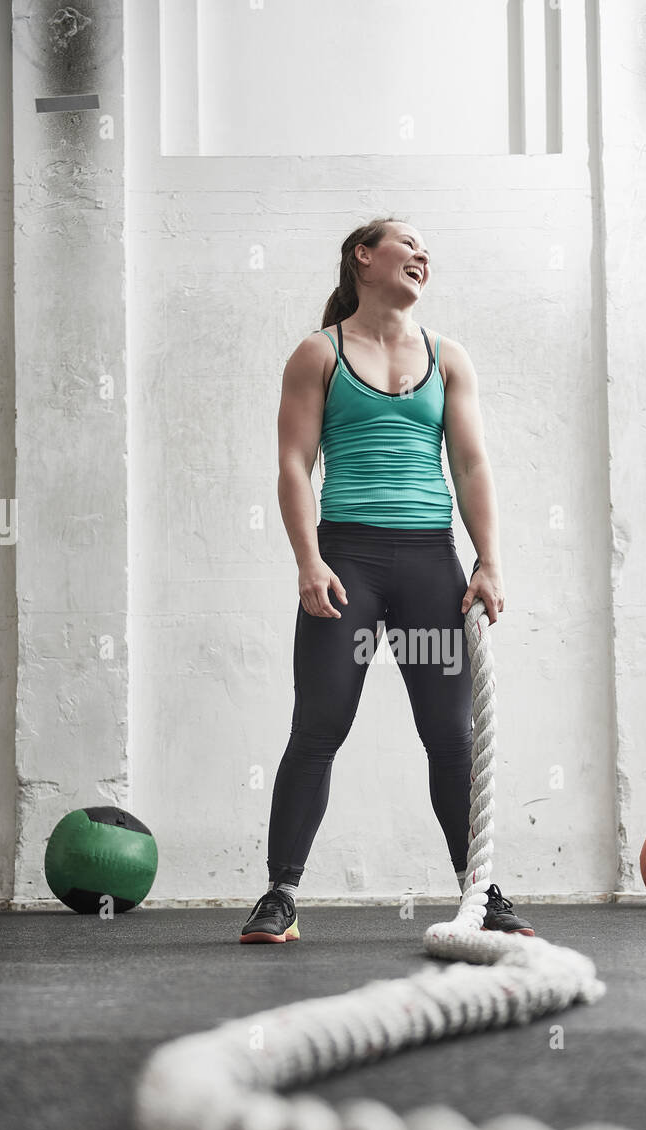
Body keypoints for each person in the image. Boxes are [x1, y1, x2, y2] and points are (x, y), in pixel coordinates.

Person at [241, 217, 534, 943]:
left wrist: (488, 559)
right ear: (362, 257)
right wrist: (308, 561)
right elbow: (292, 467)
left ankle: (481, 893)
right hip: (347, 567)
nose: (422, 252)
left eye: (426, 246)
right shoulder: (320, 354)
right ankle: (280, 895)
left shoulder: (447, 356)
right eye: (406, 242)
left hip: (430, 567)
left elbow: (470, 466)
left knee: (451, 736)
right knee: (319, 726)